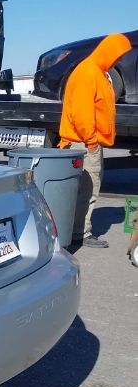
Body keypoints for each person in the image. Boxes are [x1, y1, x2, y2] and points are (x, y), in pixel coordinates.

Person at [58, 33, 132, 248]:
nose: (119, 61)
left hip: (88, 141)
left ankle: (75, 231)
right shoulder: (88, 72)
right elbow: (82, 115)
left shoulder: (98, 72)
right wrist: (91, 142)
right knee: (87, 190)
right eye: (118, 56)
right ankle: (80, 233)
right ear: (108, 51)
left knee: (84, 190)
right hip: (83, 142)